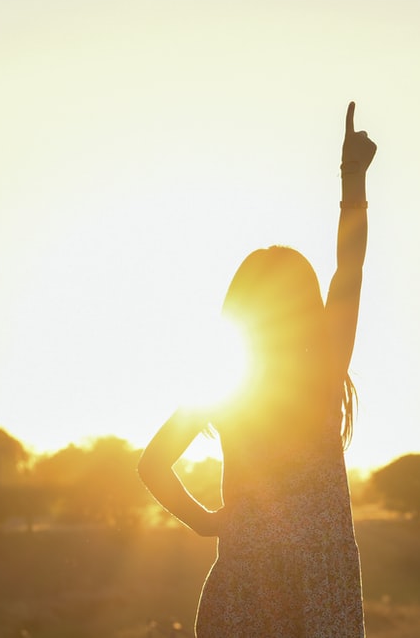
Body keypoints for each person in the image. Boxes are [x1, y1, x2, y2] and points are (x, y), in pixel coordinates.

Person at [138, 102, 376, 637]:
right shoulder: (320, 377)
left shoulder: (226, 388)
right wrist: (352, 181)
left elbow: (152, 464)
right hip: (320, 588)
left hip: (248, 584)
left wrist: (206, 521)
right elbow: (349, 269)